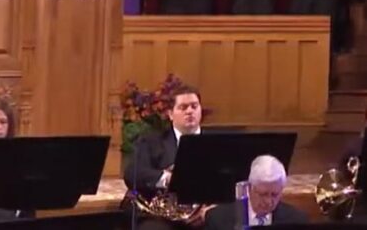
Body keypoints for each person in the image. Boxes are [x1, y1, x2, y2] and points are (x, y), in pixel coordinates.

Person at [123, 84, 208, 230]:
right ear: (170, 114)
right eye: (183, 107)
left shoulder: (217, 142)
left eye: (194, 106)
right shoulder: (151, 142)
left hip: (206, 214)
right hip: (162, 219)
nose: (190, 111)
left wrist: (210, 210)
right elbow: (132, 173)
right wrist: (167, 178)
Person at [202, 155, 307, 229]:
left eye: (274, 195)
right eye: (263, 194)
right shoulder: (218, 219)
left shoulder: (297, 221)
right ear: (249, 188)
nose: (268, 201)